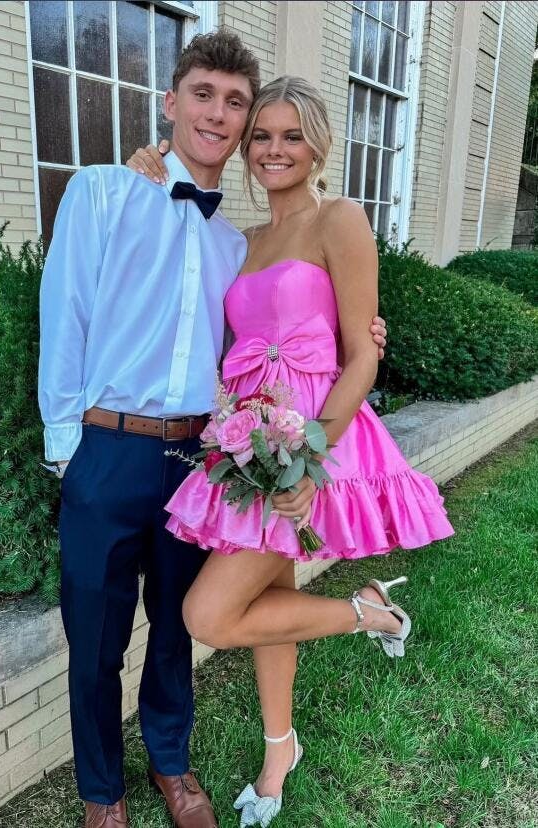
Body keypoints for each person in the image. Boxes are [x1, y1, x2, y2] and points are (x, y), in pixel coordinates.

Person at [38, 31, 387, 828]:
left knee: (177, 625)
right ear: (171, 102)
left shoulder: (237, 242)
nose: (220, 115)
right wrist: (68, 453)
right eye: (204, 94)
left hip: (200, 457)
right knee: (94, 637)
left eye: (237, 104)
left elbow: (282, 330)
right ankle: (102, 794)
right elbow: (65, 317)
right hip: (106, 448)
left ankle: (172, 766)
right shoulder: (103, 192)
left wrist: (363, 338)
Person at [127, 75, 454, 827]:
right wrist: (151, 164)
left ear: (317, 146)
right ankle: (282, 749)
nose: (275, 150)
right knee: (266, 597)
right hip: (249, 444)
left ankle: (371, 614)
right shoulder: (242, 241)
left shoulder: (340, 219)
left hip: (312, 440)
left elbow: (362, 355)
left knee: (209, 614)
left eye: (291, 136)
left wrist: (309, 458)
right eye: (262, 136)